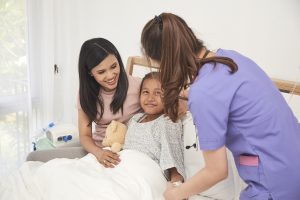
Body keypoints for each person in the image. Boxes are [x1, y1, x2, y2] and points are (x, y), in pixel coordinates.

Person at [140, 12, 300, 200]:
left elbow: (216, 171)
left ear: (166, 62)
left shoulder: (204, 93)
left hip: (277, 183)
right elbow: (230, 98)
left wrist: (176, 193)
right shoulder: (230, 58)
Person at [78, 38, 141, 167]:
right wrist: (99, 153)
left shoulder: (138, 86)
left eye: (114, 66)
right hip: (99, 152)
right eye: (101, 72)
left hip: (130, 153)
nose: (111, 75)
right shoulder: (85, 94)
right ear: (90, 73)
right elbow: (84, 136)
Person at [123, 71, 185, 184]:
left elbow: (173, 153)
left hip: (144, 172)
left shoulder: (167, 121)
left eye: (158, 93)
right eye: (146, 92)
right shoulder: (135, 118)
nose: (150, 98)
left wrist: (176, 182)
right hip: (124, 165)